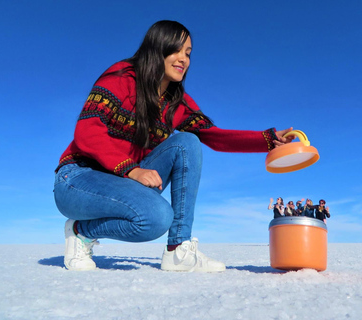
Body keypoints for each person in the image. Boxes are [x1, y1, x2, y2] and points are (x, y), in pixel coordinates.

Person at [53, 20, 296, 272]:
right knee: (155, 217)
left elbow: (214, 136)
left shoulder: (177, 103)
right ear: (157, 48)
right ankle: (79, 231)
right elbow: (87, 132)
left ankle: (177, 250)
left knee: (186, 142)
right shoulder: (122, 77)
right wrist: (132, 171)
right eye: (176, 50)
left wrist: (268, 139)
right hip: (78, 179)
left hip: (124, 183)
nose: (183, 59)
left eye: (188, 54)